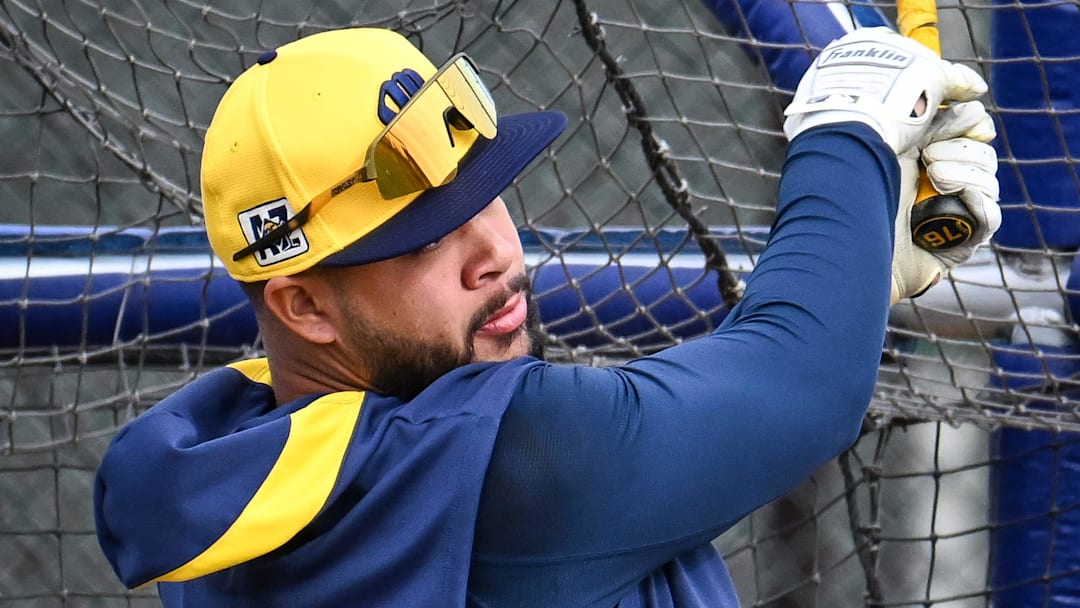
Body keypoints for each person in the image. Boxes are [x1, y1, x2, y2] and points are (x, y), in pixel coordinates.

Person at [93, 26, 1000, 607]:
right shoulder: (489, 473)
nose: (495, 251)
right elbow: (802, 379)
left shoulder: (227, 467)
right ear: (302, 306)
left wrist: (858, 260)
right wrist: (848, 133)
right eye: (424, 239)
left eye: (487, 194)